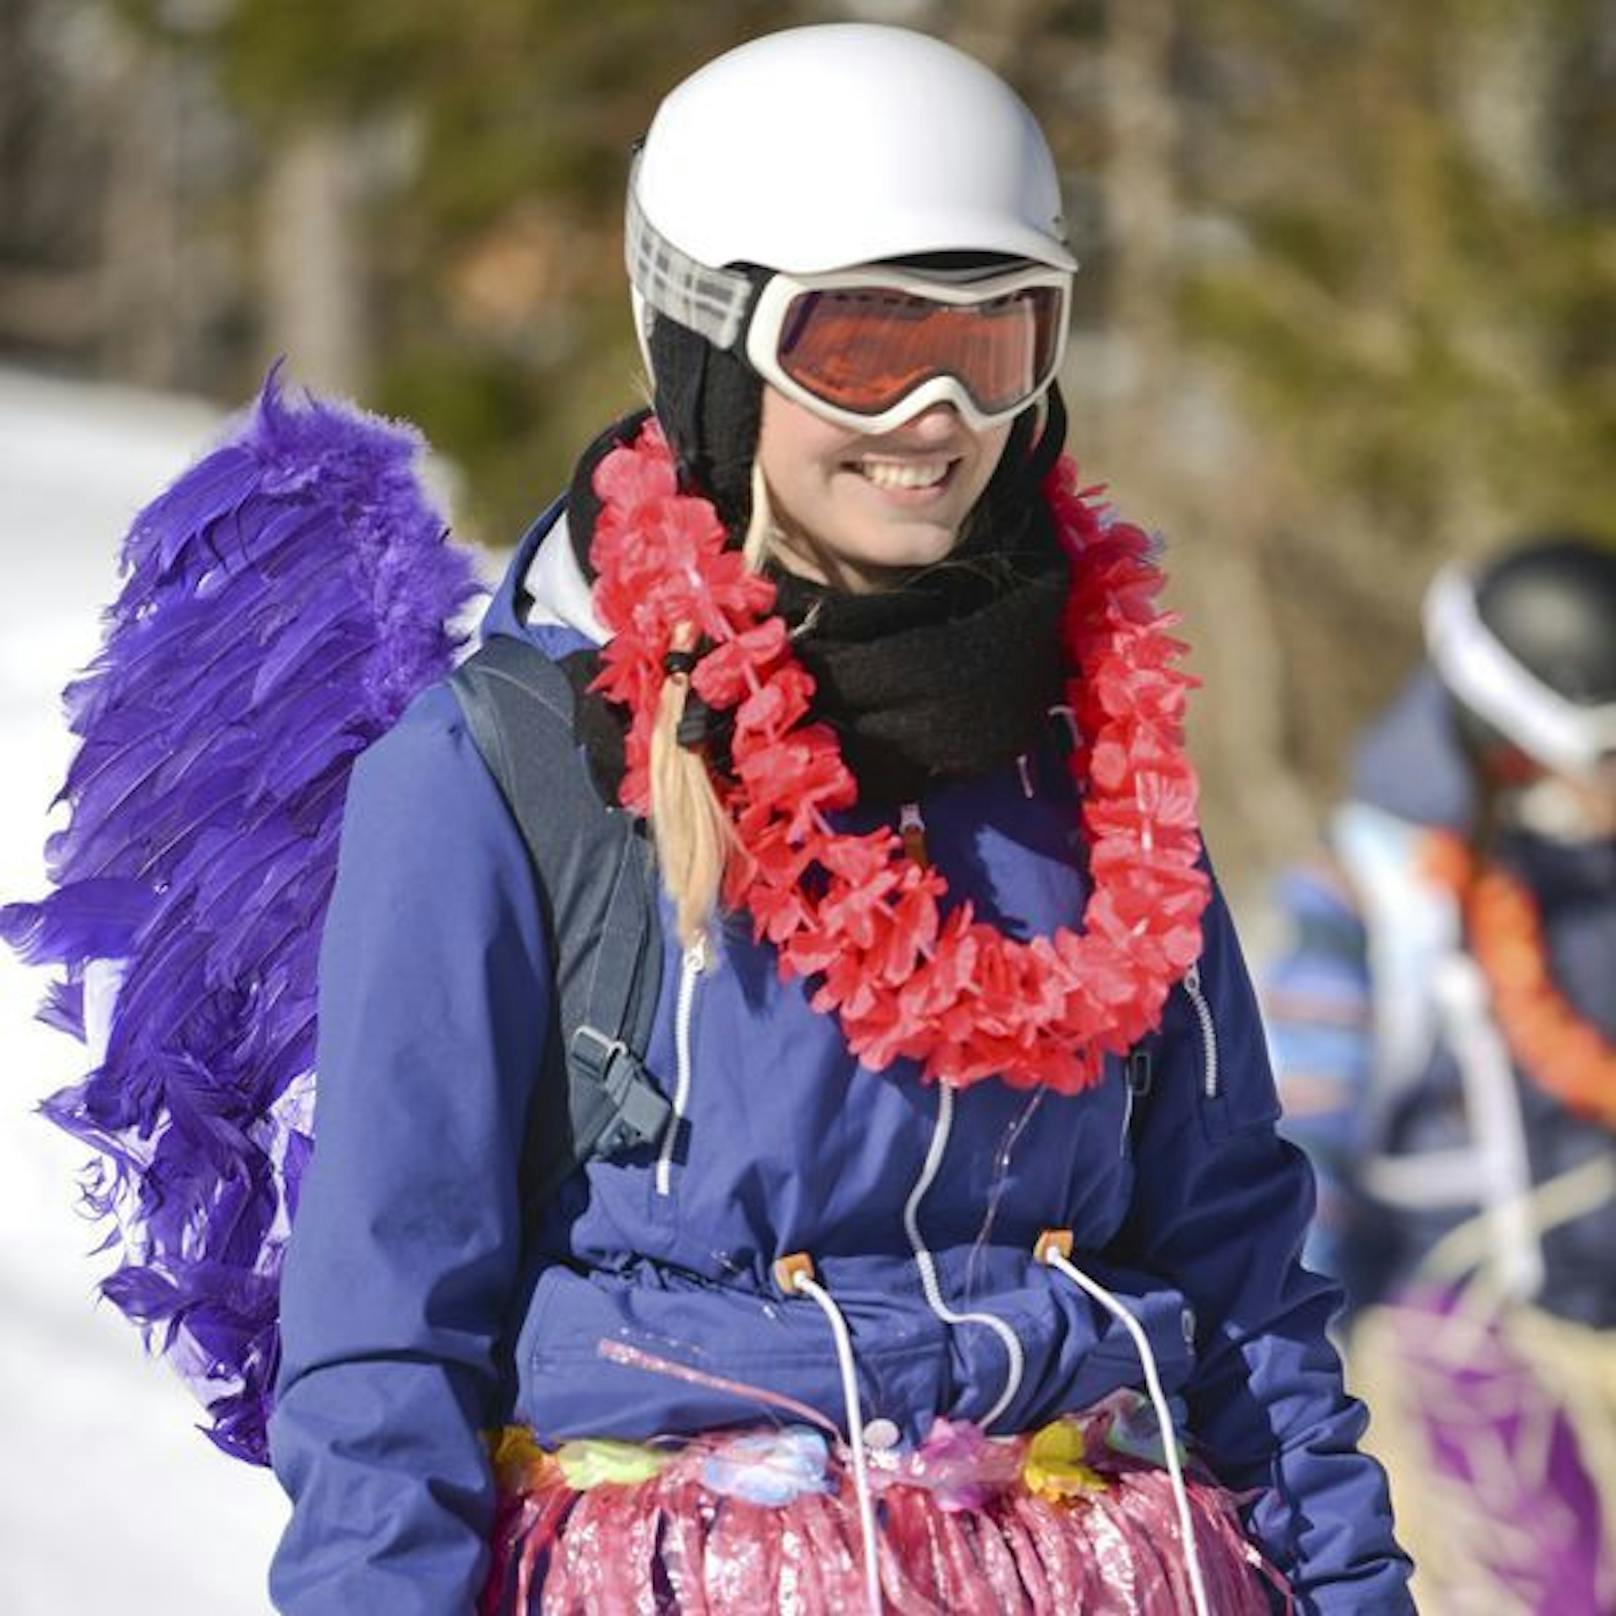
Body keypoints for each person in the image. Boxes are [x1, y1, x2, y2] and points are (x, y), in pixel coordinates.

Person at [267, 24, 1412, 1613]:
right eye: (867, 349)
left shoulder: (1098, 760)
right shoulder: (503, 774)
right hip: (687, 1566)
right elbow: (387, 1335)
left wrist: (1355, 1589)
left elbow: (1235, 1260)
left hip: (1110, 1564)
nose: (937, 414)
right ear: (717, 345)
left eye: (998, 342)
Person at [1264, 534, 1616, 1611]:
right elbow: (1299, 1161)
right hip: (1464, 1333)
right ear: (1519, 743)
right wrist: (1288, 1402)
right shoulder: (1366, 900)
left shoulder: (1583, 881)